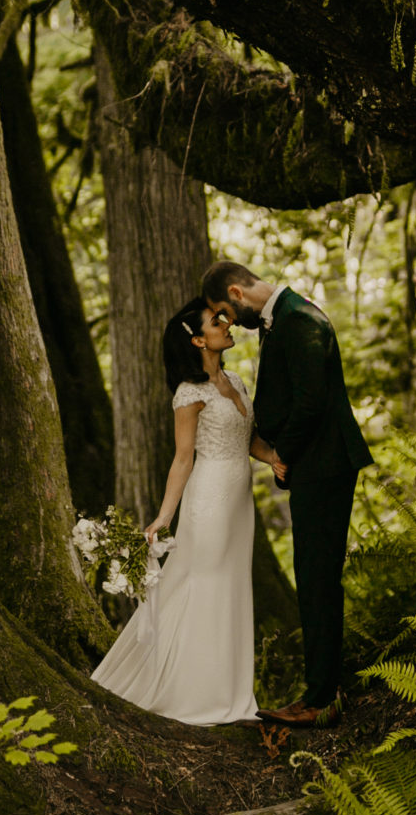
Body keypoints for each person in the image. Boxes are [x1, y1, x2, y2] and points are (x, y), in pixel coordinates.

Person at [90, 297, 283, 727]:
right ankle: (195, 694)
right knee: (205, 586)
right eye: (216, 322)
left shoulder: (235, 380)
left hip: (239, 504)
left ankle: (231, 692)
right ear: (197, 340)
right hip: (209, 500)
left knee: (232, 586)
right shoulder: (188, 394)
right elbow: (182, 459)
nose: (226, 325)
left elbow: (247, 440)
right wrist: (162, 517)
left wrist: (272, 459)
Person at [201, 261, 372, 726]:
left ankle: (322, 699)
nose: (229, 322)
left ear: (237, 292)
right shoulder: (283, 321)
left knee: (317, 577)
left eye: (225, 312)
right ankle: (321, 690)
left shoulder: (301, 319)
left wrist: (283, 456)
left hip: (324, 464)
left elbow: (312, 401)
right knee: (311, 575)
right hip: (314, 465)